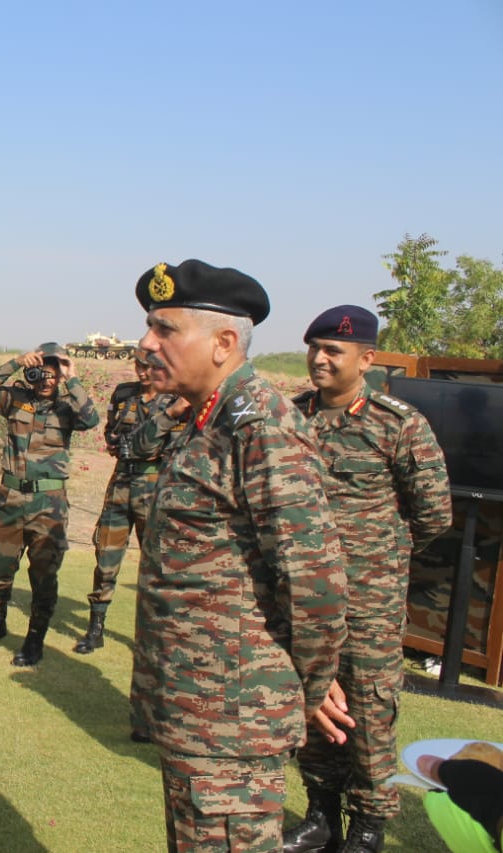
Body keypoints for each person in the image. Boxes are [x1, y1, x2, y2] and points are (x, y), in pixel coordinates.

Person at [129, 259, 347, 852]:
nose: (147, 343)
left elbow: (315, 584)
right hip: (197, 709)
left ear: (224, 343)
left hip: (234, 715)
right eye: (149, 327)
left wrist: (309, 683)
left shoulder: (262, 430)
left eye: (165, 329)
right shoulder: (208, 421)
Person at [283, 305, 452, 853]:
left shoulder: (397, 423)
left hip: (369, 601)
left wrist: (382, 557)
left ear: (367, 359)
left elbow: (434, 514)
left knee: (370, 708)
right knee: (314, 704)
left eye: (333, 350)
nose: (319, 358)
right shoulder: (290, 416)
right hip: (306, 600)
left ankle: (371, 826)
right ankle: (321, 814)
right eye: (315, 347)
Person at [0, 341, 98, 666]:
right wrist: (14, 362)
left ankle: (34, 639)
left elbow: (91, 419)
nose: (47, 377)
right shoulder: (15, 399)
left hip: (49, 503)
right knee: (0, 568)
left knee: (43, 575)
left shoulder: (68, 406)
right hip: (11, 498)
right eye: (42, 368)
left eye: (53, 369)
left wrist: (73, 378)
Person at [74, 347, 180, 655]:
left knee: (155, 565)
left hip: (155, 486)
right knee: (105, 556)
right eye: (138, 365)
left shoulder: (175, 399)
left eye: (149, 366)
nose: (143, 372)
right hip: (121, 482)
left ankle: (155, 635)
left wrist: (142, 446)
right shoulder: (124, 394)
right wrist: (117, 444)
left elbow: (174, 447)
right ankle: (95, 629)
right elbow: (111, 431)